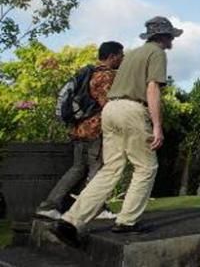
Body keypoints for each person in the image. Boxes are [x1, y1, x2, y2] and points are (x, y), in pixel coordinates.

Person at [52, 16, 182, 247]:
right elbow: (152, 88)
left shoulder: (131, 54)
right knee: (146, 166)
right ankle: (127, 221)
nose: (172, 39)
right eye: (171, 35)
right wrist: (157, 126)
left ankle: (71, 221)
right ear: (164, 36)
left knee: (111, 168)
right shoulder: (157, 53)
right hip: (132, 109)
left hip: (111, 110)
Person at [36, 42, 124, 221]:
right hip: (95, 130)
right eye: (121, 55)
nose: (122, 59)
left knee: (76, 169)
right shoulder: (106, 76)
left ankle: (48, 206)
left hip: (79, 129)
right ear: (112, 56)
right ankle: (97, 209)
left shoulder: (88, 72)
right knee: (97, 171)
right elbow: (108, 105)